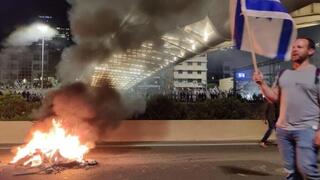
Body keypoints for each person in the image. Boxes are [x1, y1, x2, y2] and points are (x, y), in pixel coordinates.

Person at [253, 37, 320, 179]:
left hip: (307, 128)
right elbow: (273, 98)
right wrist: (262, 83)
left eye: (300, 47)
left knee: (307, 170)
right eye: (293, 47)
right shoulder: (283, 74)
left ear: (311, 51)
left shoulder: (317, 75)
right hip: (283, 130)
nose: (295, 49)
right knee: (291, 172)